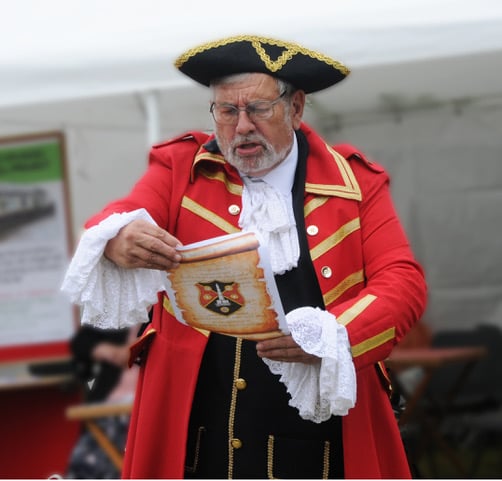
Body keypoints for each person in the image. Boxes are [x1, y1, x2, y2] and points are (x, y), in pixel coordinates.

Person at [62, 35, 427, 479]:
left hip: (317, 443)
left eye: (258, 109)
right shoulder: (180, 167)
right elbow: (123, 214)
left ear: (295, 108)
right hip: (198, 436)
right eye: (227, 111)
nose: (241, 127)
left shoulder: (356, 184)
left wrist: (333, 336)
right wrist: (120, 239)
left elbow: (402, 282)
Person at [65, 326, 140, 479]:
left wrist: (137, 348)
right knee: (85, 462)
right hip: (109, 406)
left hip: (142, 409)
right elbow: (80, 341)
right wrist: (106, 350)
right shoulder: (119, 313)